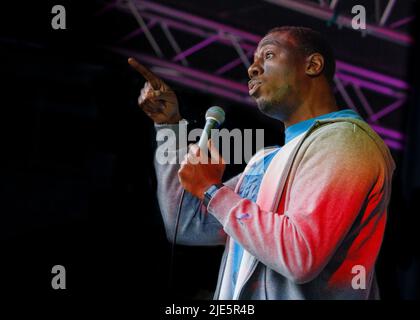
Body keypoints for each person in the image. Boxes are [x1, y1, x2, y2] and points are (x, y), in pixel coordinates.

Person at [128, 26, 395, 300]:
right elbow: (185, 224)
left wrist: (212, 191)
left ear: (313, 65)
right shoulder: (265, 161)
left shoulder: (347, 139)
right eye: (253, 60)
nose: (252, 69)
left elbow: (300, 256)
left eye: (268, 55)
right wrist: (169, 127)